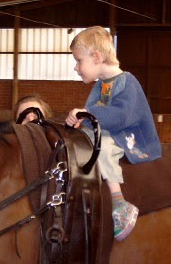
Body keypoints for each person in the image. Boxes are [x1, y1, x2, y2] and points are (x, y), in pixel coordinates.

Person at [65, 26, 162, 241]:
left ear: (97, 57)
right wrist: (79, 120)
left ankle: (120, 203)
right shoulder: (100, 85)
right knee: (82, 141)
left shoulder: (127, 82)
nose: (76, 67)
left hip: (131, 136)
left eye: (79, 60)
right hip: (109, 131)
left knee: (102, 146)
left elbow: (123, 116)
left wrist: (87, 114)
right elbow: (91, 118)